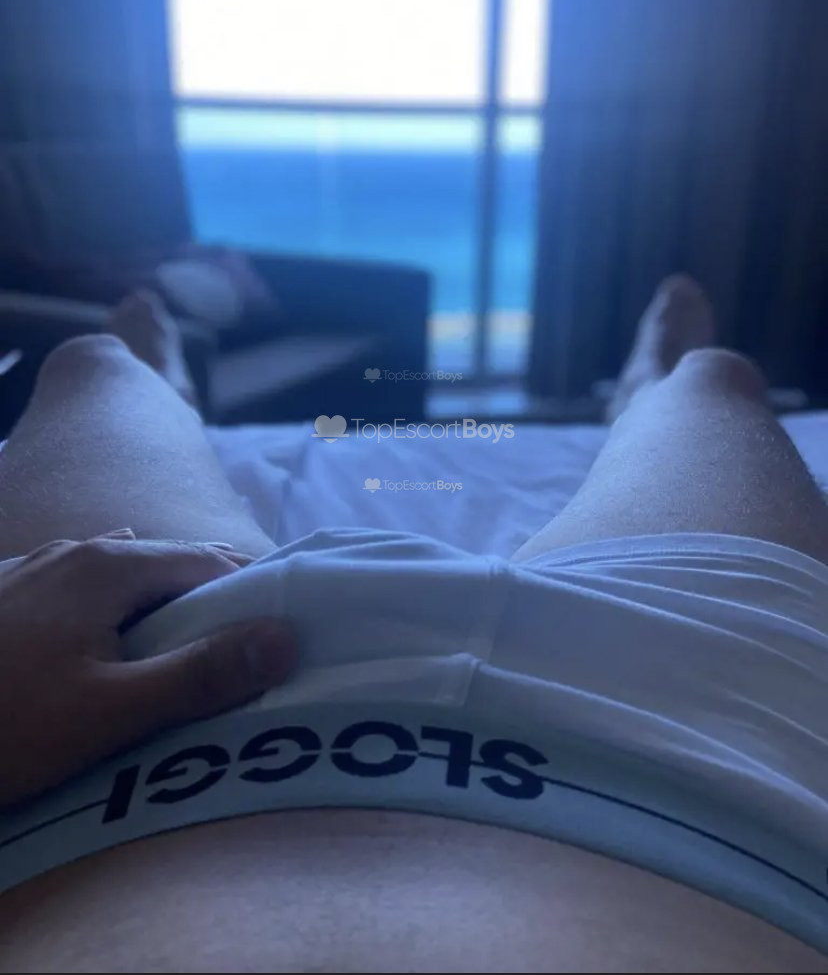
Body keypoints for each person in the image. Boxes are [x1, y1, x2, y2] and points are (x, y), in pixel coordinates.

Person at [0, 278, 825, 973]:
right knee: (716, 381)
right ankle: (657, 379)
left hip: (108, 733)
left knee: (91, 366)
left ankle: (155, 376)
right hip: (701, 754)